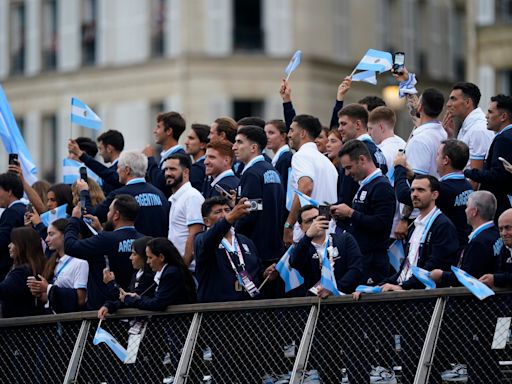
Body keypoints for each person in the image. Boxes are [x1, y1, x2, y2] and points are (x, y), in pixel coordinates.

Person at [331, 140, 395, 284]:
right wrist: (340, 215)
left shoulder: (381, 187)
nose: (347, 173)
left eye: (349, 167)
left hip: (373, 263)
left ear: (362, 160)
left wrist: (350, 213)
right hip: (361, 260)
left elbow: (381, 224)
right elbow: (360, 222)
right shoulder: (364, 185)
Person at [64, 194, 144, 309]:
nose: (107, 214)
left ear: (116, 215)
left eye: (109, 210)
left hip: (104, 311)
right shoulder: (145, 240)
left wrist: (74, 219)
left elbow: (70, 246)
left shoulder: (105, 239)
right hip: (133, 307)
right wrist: (100, 232)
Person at [381, 175, 459, 291]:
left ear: (434, 195)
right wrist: (379, 286)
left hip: (426, 298)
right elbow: (407, 267)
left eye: (420, 190)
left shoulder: (443, 225)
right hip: (409, 293)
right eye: (412, 190)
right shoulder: (414, 225)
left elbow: (433, 266)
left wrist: (403, 286)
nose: (414, 194)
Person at [395, 139, 473, 250]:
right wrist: (413, 176)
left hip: (445, 245)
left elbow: (404, 195)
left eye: (437, 155)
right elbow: (430, 187)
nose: (435, 159)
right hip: (459, 244)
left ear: (445, 160)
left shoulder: (444, 189)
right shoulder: (467, 185)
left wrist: (399, 168)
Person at [80, 150, 169, 238]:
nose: (117, 171)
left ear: (127, 170)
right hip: (159, 250)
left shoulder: (119, 195)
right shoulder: (160, 194)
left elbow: (90, 216)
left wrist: (84, 192)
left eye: (118, 167)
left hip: (133, 250)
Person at [194, 196, 263, 303]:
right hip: (216, 312)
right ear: (206, 221)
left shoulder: (245, 241)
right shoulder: (201, 239)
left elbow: (257, 271)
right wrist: (230, 218)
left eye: (227, 210)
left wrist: (266, 275)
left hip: (248, 309)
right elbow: (211, 238)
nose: (224, 215)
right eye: (218, 212)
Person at [233, 126, 284, 264]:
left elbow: (249, 211)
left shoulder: (252, 173)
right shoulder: (272, 170)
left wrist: (233, 231)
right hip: (273, 247)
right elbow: (261, 204)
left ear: (253, 148)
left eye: (239, 142)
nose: (234, 147)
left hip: (255, 249)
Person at [285, 115, 338, 246]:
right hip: (328, 232)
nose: (289, 135)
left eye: (292, 130)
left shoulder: (301, 156)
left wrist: (289, 224)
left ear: (302, 133)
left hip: (309, 234)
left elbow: (305, 187)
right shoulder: (327, 162)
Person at [430, 191, 500, 287]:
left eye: (467, 206)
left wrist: (442, 275)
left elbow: (469, 277)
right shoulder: (496, 234)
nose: (465, 210)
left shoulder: (479, 242)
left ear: (474, 211)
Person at [290, 205, 363, 296]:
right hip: (316, 302)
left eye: (317, 218)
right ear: (301, 227)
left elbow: (356, 269)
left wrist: (332, 290)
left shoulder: (345, 239)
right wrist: (308, 236)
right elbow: (294, 262)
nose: (315, 223)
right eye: (309, 221)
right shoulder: (303, 248)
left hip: (346, 300)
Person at [464, 94, 512, 221]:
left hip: (502, 208)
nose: (486, 116)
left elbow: (497, 176)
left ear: (503, 116)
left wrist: (468, 172)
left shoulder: (503, 139)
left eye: (490, 112)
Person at [26, 219, 89, 313]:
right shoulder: (53, 262)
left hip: (72, 321)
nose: (47, 239)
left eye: (51, 234)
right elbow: (50, 298)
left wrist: (48, 288)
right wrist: (40, 292)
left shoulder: (80, 262)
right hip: (54, 319)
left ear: (64, 235)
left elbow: (81, 299)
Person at [121, 237, 196, 310]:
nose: (147, 262)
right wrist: (138, 298)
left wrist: (132, 300)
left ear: (161, 257)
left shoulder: (171, 273)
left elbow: (158, 303)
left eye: (150, 258)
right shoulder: (167, 272)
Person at [367, 107, 406, 239]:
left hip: (387, 219)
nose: (369, 133)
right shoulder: (405, 144)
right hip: (402, 217)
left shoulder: (379, 152)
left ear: (381, 127)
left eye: (371, 128)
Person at [97, 236, 155, 319]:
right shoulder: (136, 275)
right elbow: (124, 297)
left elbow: (128, 299)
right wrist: (109, 306)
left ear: (145, 256)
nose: (130, 257)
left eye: (134, 254)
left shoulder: (151, 277)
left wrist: (111, 283)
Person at [164, 153, 205, 270]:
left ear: (186, 172)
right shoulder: (175, 198)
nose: (167, 173)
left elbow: (194, 235)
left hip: (189, 270)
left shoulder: (192, 197)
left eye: (172, 169)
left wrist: (183, 269)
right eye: (166, 169)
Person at [444, 82, 494, 173]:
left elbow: (476, 178)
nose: (448, 104)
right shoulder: (468, 125)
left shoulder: (478, 129)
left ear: (467, 102)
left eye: (453, 99)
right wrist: (450, 137)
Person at [0, 227, 46, 317]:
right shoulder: (34, 267)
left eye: (13, 242)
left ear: (22, 245)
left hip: (20, 327)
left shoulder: (22, 273)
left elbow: (3, 290)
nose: (9, 245)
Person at [68, 130, 125, 194]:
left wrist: (80, 154)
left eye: (101, 149)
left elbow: (104, 172)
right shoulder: (113, 169)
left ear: (109, 148)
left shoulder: (121, 169)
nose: (100, 153)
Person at [145, 111, 187, 195]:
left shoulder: (180, 156)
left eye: (158, 127)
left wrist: (150, 159)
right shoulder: (166, 155)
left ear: (168, 131)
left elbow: (160, 183)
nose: (155, 131)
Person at [0, 173, 27, 280]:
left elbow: (2, 240)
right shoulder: (24, 209)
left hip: (7, 270)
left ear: (9, 191)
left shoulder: (11, 212)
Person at [480, 208, 512, 288]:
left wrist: (496, 279)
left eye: (508, 228)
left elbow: (499, 277)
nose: (504, 233)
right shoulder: (504, 249)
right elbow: (500, 272)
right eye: (501, 229)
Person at [186, 123, 210, 192]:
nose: (186, 142)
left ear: (202, 145)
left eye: (191, 138)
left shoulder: (197, 169)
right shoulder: (206, 166)